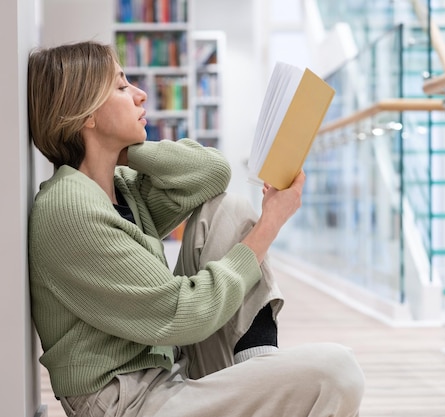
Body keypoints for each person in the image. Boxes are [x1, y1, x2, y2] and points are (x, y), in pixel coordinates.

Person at [27, 40, 364, 417]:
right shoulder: (69, 210)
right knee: (338, 371)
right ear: (84, 114)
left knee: (226, 210)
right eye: (122, 87)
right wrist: (270, 222)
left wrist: (118, 148)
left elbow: (211, 174)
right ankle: (264, 383)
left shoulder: (120, 187)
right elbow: (181, 314)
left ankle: (260, 368)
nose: (140, 95)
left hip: (166, 374)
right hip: (127, 404)